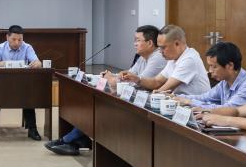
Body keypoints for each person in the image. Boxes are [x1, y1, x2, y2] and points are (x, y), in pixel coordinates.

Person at [47, 25, 167, 156]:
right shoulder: (143, 57)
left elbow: (139, 83)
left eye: (138, 40)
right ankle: (74, 141)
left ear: (150, 43)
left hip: (147, 103)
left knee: (100, 108)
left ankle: (69, 140)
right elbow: (129, 76)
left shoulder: (157, 58)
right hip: (135, 98)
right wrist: (113, 76)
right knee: (93, 105)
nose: (134, 44)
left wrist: (114, 80)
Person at [0, 25, 43, 142]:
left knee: (29, 97)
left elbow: (38, 62)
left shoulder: (27, 47)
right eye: (14, 39)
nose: (17, 43)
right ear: (7, 37)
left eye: (20, 40)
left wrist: (37, 64)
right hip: (1, 83)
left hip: (22, 84)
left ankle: (32, 129)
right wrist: (9, 64)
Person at [122, 24, 210, 96]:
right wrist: (137, 79)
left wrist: (151, 96)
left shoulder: (189, 59)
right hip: (182, 103)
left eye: (163, 47)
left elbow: (165, 89)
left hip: (196, 106)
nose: (160, 51)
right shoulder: (173, 58)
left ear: (177, 44)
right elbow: (157, 82)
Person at [173, 42, 246, 110]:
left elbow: (228, 109)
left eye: (214, 66)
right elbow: (204, 97)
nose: (210, 71)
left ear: (230, 66)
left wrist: (190, 102)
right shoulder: (225, 82)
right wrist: (176, 97)